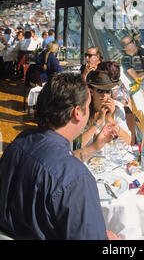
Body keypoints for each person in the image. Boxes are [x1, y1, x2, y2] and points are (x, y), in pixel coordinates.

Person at [0, 73, 120, 240]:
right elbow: (63, 175)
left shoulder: (20, 143)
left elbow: (55, 167)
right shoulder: (78, 180)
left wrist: (94, 147)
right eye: (88, 105)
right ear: (77, 113)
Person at [82, 70, 131, 147]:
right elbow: (78, 145)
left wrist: (109, 120)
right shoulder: (84, 109)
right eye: (100, 91)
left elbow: (128, 140)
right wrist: (98, 122)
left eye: (108, 91)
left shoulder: (117, 107)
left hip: (111, 156)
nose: (104, 95)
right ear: (91, 92)